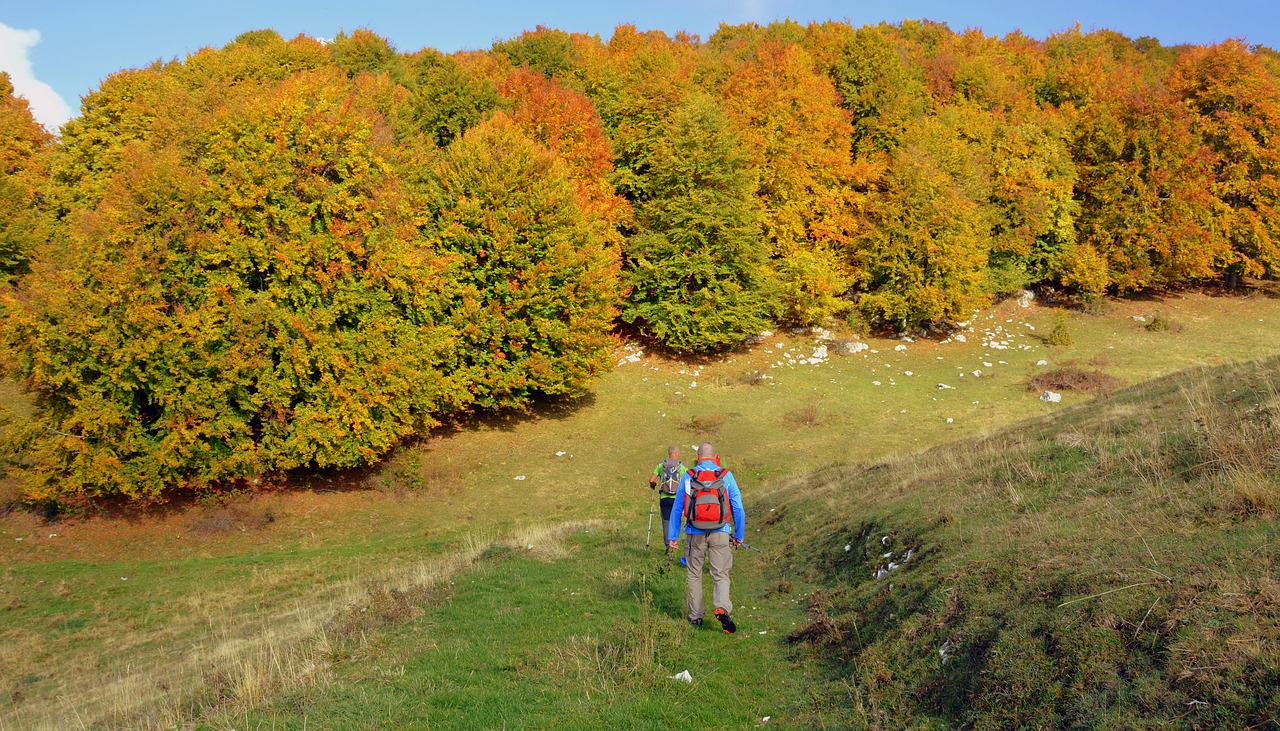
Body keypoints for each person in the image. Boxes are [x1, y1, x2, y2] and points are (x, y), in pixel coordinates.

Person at [667, 442, 745, 633]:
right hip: (721, 531)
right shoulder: (726, 476)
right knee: (720, 573)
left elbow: (677, 508)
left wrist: (673, 536)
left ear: (699, 458)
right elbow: (738, 508)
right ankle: (722, 607)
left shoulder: (689, 476)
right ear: (715, 456)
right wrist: (739, 534)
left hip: (695, 532)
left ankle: (696, 617)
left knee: (694, 574)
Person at [649, 445, 686, 547]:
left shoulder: (661, 465)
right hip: (677, 499)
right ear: (677, 453)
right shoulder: (681, 466)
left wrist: (653, 485)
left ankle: (667, 545)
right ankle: (674, 542)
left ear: (669, 453)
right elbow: (688, 480)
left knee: (666, 521)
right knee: (676, 520)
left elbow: (652, 480)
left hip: (664, 498)